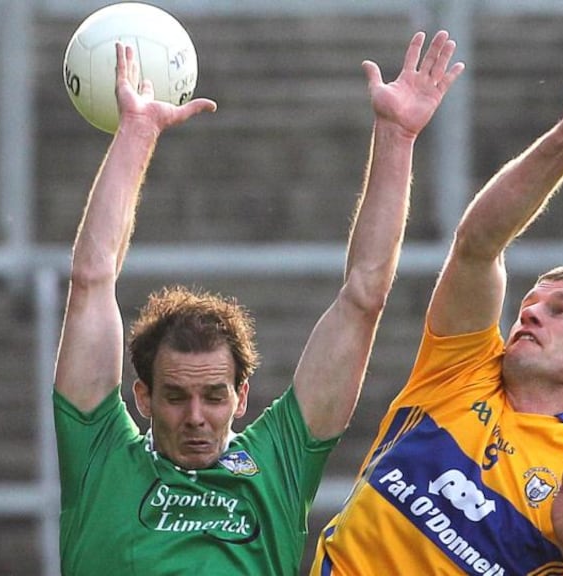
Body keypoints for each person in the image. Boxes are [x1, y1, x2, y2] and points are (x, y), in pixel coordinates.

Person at [52, 32, 465, 576]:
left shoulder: (278, 461)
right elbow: (91, 280)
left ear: (241, 396)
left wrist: (397, 135)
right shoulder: (100, 457)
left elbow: (364, 296)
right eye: (175, 396)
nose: (196, 417)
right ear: (143, 397)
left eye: (213, 395)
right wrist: (138, 131)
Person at [312, 80, 563, 575]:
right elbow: (478, 245)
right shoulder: (461, 368)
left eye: (561, 310)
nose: (531, 312)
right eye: (530, 303)